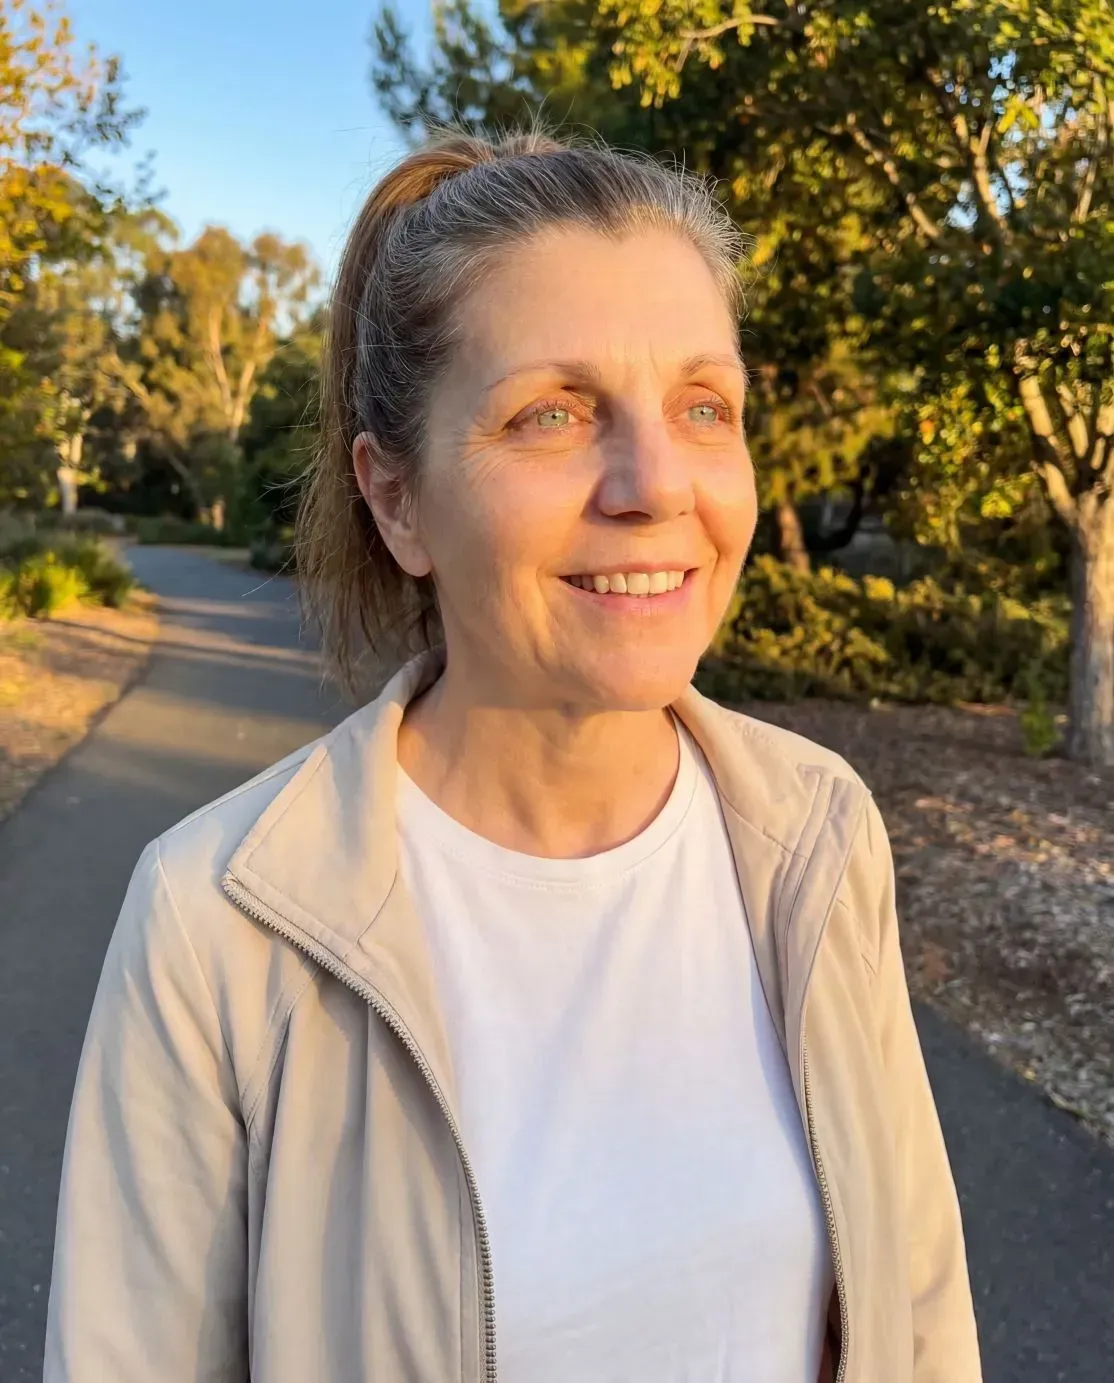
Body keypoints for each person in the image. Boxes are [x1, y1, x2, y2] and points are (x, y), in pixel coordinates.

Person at [44, 121, 982, 1383]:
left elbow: (920, 1312)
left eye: (704, 405)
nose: (655, 484)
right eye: (551, 413)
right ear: (396, 499)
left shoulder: (815, 830)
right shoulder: (216, 926)